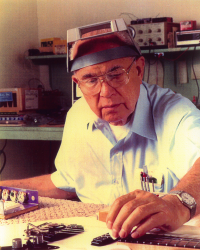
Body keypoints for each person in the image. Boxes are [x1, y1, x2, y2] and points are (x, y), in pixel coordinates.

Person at [1, 18, 200, 240]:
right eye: (91, 79)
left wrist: (179, 202)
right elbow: (66, 183)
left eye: (115, 75)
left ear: (138, 69)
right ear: (78, 83)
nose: (105, 92)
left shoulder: (175, 112)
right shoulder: (77, 116)